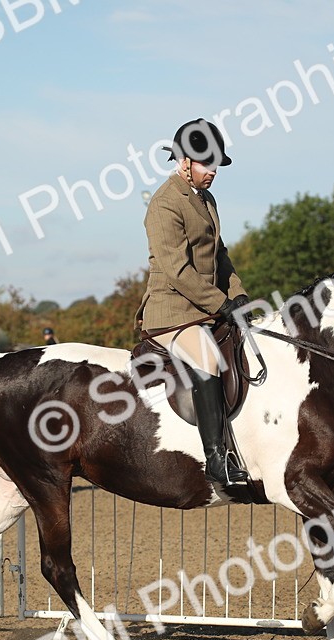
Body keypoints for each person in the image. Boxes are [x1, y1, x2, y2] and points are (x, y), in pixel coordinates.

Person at [137, 118, 251, 487]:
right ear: (184, 162)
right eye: (207, 164)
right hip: (173, 310)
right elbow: (177, 271)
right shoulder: (164, 203)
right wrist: (221, 303)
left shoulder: (206, 199)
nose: (214, 172)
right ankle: (217, 460)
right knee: (207, 358)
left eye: (216, 164)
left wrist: (239, 294)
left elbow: (221, 255)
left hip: (206, 306)